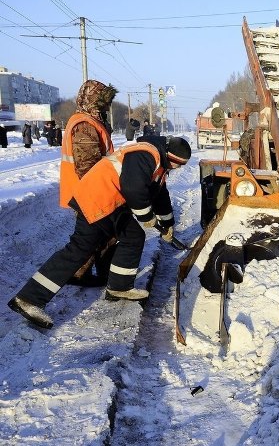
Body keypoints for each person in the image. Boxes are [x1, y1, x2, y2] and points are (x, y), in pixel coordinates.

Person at [7, 136, 192, 329]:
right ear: (170, 156)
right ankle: (29, 298)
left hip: (113, 205)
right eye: (176, 164)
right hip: (96, 200)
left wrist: (168, 223)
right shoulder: (146, 154)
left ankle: (119, 287)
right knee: (79, 249)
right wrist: (147, 217)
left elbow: (160, 194)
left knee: (133, 236)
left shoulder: (159, 162)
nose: (176, 168)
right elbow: (134, 189)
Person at [60, 79, 118, 287]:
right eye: (102, 102)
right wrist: (103, 189)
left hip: (90, 190)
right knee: (93, 237)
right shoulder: (85, 124)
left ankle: (90, 273)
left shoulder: (92, 120)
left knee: (98, 236)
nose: (105, 106)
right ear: (93, 100)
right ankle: (81, 274)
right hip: (89, 190)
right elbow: (88, 165)